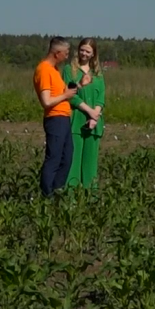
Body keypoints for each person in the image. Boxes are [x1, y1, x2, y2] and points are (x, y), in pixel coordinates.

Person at [33, 36, 78, 196]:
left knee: (67, 156)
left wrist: (77, 87)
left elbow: (60, 93)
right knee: (54, 158)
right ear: (57, 53)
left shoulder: (54, 70)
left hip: (64, 117)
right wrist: (65, 95)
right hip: (55, 118)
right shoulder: (44, 70)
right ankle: (47, 194)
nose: (67, 56)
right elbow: (46, 101)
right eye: (66, 53)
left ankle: (56, 189)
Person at [62, 38, 105, 190]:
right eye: (82, 50)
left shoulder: (98, 74)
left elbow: (101, 98)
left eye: (88, 51)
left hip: (94, 124)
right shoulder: (69, 70)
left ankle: (90, 199)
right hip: (76, 121)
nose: (84, 54)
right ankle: (71, 200)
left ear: (93, 54)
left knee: (90, 165)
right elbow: (71, 95)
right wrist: (89, 111)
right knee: (73, 163)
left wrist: (95, 116)